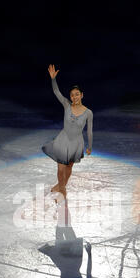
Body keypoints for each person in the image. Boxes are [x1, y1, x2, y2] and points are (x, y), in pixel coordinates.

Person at [41, 64, 93, 202]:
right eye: (72, 95)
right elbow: (56, 92)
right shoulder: (66, 105)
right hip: (63, 140)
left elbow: (89, 130)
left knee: (69, 166)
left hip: (76, 143)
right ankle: (62, 192)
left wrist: (90, 146)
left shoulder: (88, 112)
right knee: (60, 167)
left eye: (77, 94)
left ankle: (60, 185)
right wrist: (53, 79)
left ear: (82, 95)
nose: (74, 97)